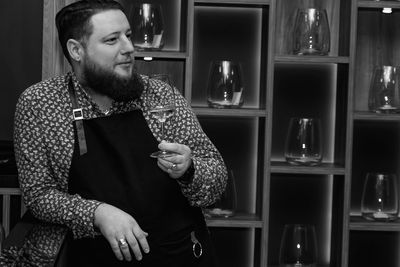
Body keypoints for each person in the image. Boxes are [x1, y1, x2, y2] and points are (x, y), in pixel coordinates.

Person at [12, 0, 227, 266]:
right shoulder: (40, 103)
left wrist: (190, 169)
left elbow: (217, 180)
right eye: (112, 40)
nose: (128, 48)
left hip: (176, 253)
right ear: (76, 50)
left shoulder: (160, 96)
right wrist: (98, 213)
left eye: (128, 36)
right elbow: (38, 195)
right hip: (88, 256)